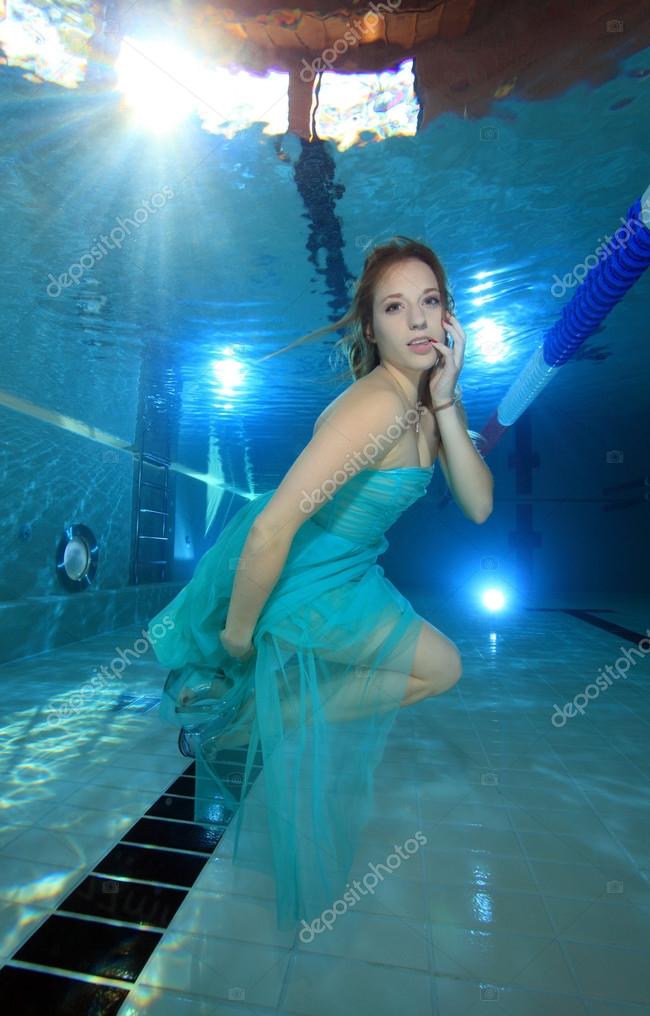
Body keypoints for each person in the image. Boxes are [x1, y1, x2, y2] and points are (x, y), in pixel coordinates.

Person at [147, 236, 494, 933]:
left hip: (350, 568)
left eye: (431, 302)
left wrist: (450, 400)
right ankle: (243, 723)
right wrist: (238, 635)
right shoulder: (379, 408)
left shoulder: (424, 401)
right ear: (372, 328)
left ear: (450, 316)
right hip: (306, 573)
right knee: (441, 665)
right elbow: (273, 529)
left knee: (439, 668)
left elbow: (480, 504)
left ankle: (245, 726)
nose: (419, 321)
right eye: (397, 308)